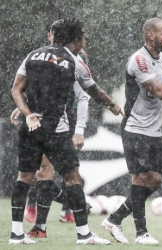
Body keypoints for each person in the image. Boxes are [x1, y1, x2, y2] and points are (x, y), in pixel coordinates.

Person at [9, 17, 123, 245]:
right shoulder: (75, 62)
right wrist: (111, 104)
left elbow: (16, 89)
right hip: (55, 129)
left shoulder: (33, 55)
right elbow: (94, 92)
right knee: (72, 178)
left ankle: (16, 234)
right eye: (83, 38)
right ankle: (84, 234)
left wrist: (27, 112)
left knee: (24, 178)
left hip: (30, 126)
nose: (85, 42)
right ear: (75, 40)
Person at [101, 17, 162, 245]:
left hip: (154, 131)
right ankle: (141, 233)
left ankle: (114, 219)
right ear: (150, 36)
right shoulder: (139, 60)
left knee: (155, 181)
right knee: (141, 179)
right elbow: (161, 91)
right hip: (135, 128)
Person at [9, 19, 92, 237]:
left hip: (62, 122)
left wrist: (79, 130)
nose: (50, 37)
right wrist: (25, 109)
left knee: (48, 173)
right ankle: (66, 208)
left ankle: (42, 226)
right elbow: (34, 89)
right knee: (39, 175)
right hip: (42, 119)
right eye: (50, 34)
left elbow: (83, 96)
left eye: (53, 34)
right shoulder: (40, 56)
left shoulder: (74, 60)